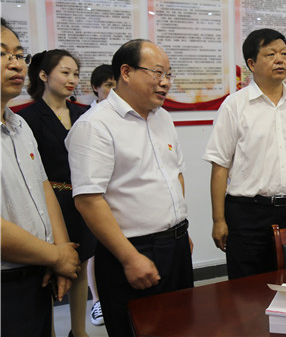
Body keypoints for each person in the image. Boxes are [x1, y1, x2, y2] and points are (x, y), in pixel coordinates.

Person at [65, 39, 193, 336]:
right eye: (157, 73)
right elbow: (88, 200)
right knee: (137, 329)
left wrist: (178, 228)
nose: (165, 82)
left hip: (175, 246)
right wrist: (129, 257)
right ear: (126, 72)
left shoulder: (163, 118)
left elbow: (174, 175)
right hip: (132, 250)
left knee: (182, 327)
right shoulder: (95, 125)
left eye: (168, 74)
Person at [203, 28, 286, 279]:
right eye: (271, 54)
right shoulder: (235, 105)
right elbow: (220, 166)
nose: (280, 60)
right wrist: (218, 220)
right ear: (251, 63)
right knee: (246, 287)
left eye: (284, 54)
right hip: (246, 213)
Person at [1, 18, 80, 336]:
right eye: (3, 53)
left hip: (38, 275)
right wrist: (58, 256)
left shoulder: (18, 126)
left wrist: (61, 249)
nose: (16, 63)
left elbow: (43, 186)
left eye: (20, 55)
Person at [19, 49, 93, 337]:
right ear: (43, 75)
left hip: (80, 201)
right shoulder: (26, 119)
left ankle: (79, 330)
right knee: (48, 271)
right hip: (46, 204)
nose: (72, 79)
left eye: (76, 73)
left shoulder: (84, 114)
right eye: (65, 72)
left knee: (79, 266)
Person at [86, 63, 115, 326]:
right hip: (94, 196)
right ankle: (97, 301)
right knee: (96, 248)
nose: (112, 90)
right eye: (107, 85)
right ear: (95, 88)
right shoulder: (90, 120)